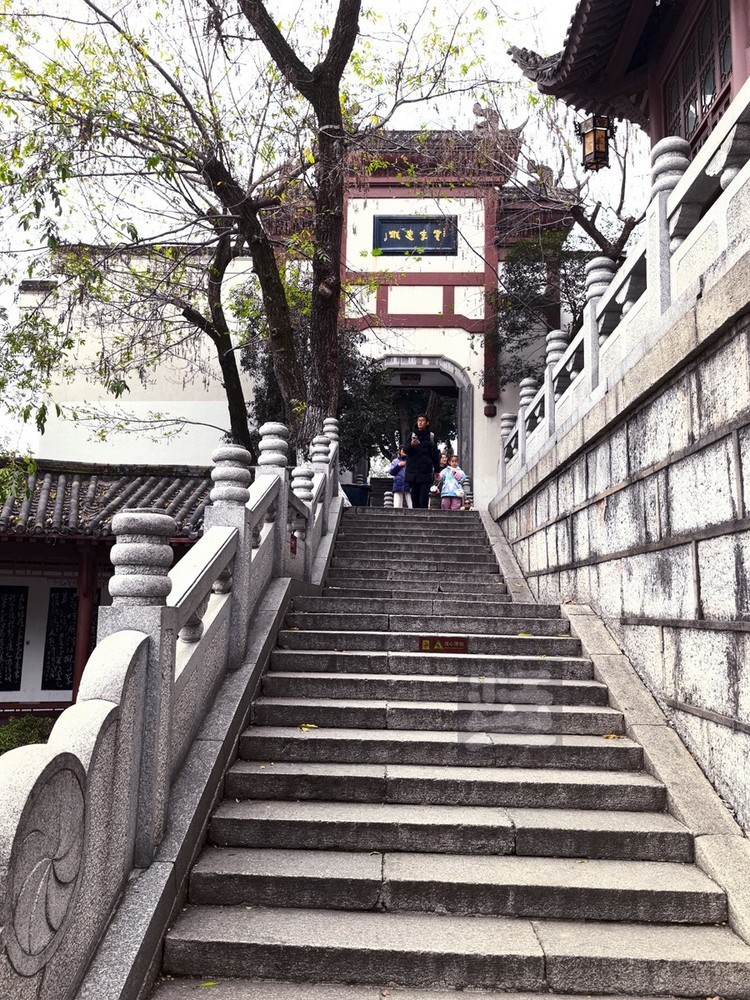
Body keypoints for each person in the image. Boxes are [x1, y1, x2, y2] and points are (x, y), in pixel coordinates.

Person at [404, 414, 441, 509]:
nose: (420, 422)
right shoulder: (411, 435)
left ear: (427, 423)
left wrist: (437, 470)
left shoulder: (431, 436)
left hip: (426, 471)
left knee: (424, 497)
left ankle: (423, 514)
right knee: (414, 496)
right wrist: (411, 445)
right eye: (419, 420)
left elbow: (435, 454)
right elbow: (405, 450)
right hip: (413, 471)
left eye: (422, 420)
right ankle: (415, 515)